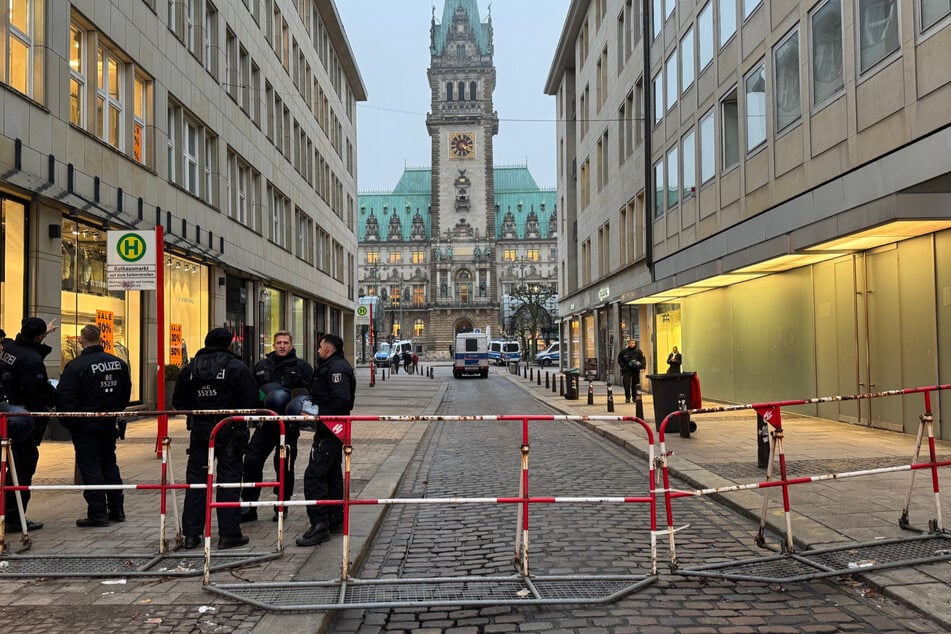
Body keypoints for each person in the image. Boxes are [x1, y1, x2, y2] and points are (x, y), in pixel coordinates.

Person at [173, 327, 258, 550]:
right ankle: (229, 534)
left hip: (200, 431)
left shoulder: (190, 368)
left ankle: (192, 535)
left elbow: (179, 403)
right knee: (228, 481)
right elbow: (250, 401)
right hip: (229, 430)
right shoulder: (236, 367)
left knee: (197, 481)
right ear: (229, 344)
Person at [56, 325, 132, 527]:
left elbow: (65, 399)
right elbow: (126, 392)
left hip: (84, 424)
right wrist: (115, 409)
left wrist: (70, 423)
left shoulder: (75, 366)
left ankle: (98, 514)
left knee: (90, 467)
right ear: (101, 339)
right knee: (109, 463)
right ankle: (117, 509)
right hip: (107, 421)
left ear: (81, 340)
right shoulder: (118, 363)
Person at [240, 330, 313, 523]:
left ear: (291, 345)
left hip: (288, 426)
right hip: (266, 424)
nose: (282, 346)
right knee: (252, 461)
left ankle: (282, 504)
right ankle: (249, 505)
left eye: (285, 343)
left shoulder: (302, 367)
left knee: (284, 465)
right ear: (273, 345)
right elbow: (252, 393)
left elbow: (310, 395)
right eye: (279, 342)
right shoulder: (261, 366)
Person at [297, 334, 355, 547]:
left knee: (314, 475)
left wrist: (317, 414)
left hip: (331, 428)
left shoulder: (336, 368)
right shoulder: (331, 365)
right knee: (331, 474)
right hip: (328, 429)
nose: (318, 350)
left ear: (328, 349)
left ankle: (320, 524)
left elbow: (342, 401)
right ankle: (335, 519)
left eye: (320, 347)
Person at [0, 318, 57, 532]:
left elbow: (26, 353)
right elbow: (35, 391)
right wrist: (52, 399)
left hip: (7, 417)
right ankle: (14, 519)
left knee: (9, 467)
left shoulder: (10, 347)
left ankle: (8, 514)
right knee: (23, 468)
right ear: (38, 336)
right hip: (22, 421)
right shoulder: (32, 360)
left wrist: (44, 334)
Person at [617, 339, 646, 404]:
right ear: (628, 344)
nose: (631, 344)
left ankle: (634, 397)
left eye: (633, 343)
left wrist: (642, 367)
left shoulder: (639, 351)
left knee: (635, 384)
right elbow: (619, 360)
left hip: (635, 370)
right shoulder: (624, 352)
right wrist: (623, 366)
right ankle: (627, 397)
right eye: (630, 343)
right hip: (627, 370)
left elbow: (643, 359)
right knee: (626, 384)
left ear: (635, 344)